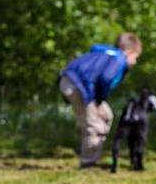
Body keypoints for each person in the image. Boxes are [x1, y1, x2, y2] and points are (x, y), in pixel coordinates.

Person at [58, 33, 141, 168]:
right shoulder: (118, 59)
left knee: (106, 115)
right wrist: (98, 100)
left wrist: (98, 102)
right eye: (136, 57)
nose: (135, 62)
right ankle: (88, 162)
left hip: (73, 83)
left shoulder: (109, 55)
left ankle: (86, 146)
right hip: (78, 86)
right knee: (95, 123)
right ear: (129, 52)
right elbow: (105, 79)